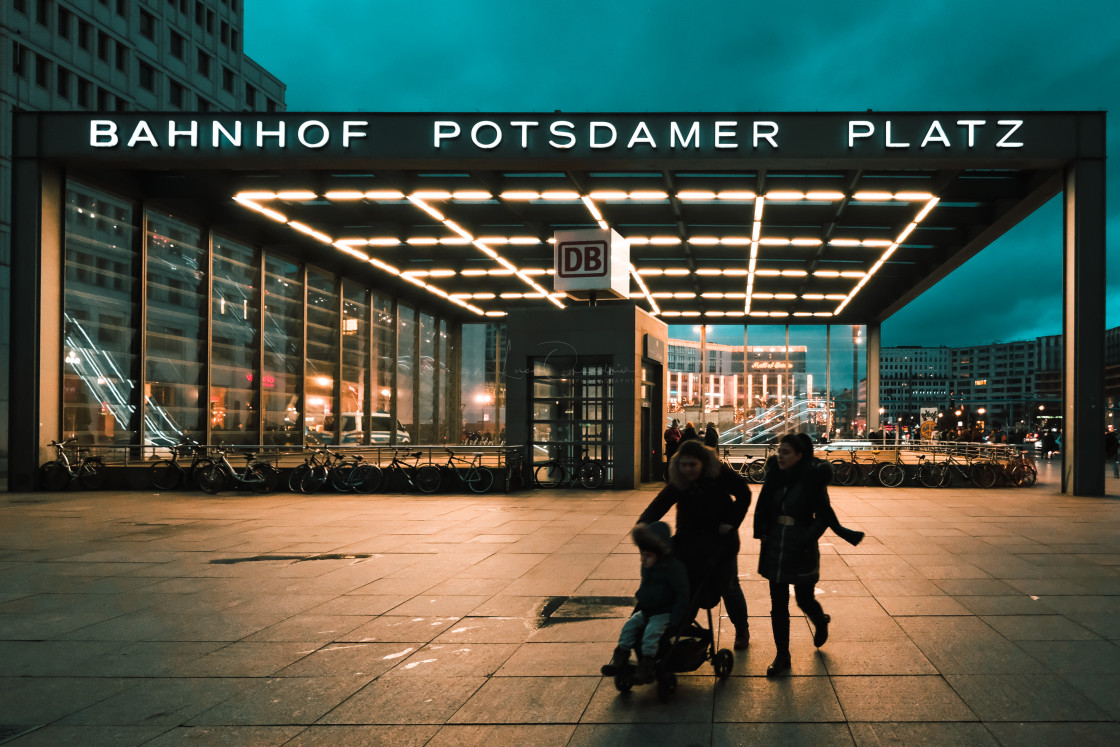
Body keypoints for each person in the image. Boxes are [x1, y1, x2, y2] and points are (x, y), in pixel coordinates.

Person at [637, 439, 751, 650]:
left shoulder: (719, 474)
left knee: (729, 587)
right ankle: (677, 624)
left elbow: (744, 493)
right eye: (684, 465)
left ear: (703, 463)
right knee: (683, 584)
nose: (688, 469)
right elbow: (661, 502)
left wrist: (732, 522)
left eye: (693, 465)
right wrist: (643, 524)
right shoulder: (680, 481)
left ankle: (741, 629)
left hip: (721, 541)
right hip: (689, 540)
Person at [753, 433, 834, 677]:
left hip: (801, 546)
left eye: (786, 451)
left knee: (804, 599)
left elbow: (823, 517)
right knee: (778, 604)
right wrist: (763, 531)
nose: (780, 455)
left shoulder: (812, 481)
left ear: (799, 455)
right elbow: (763, 507)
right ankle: (782, 655)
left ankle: (820, 621)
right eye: (779, 450)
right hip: (776, 545)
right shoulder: (775, 477)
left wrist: (805, 538)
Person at [606, 521, 690, 683]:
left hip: (665, 612)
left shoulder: (674, 568)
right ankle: (620, 657)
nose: (643, 559)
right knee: (629, 627)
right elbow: (645, 587)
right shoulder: (648, 566)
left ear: (660, 553)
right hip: (647, 610)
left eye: (647, 556)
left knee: (651, 633)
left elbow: (682, 594)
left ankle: (647, 663)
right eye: (642, 555)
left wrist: (676, 618)